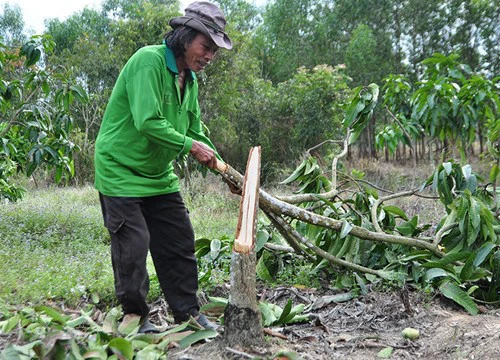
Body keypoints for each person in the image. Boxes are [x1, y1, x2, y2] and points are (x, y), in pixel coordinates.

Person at [94, 1, 233, 333]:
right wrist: (190, 147)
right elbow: (147, 122)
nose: (210, 56)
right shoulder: (149, 62)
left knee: (179, 240)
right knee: (134, 244)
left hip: (158, 176)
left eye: (215, 50)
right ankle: (134, 316)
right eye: (206, 46)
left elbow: (195, 131)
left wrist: (225, 170)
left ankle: (186, 312)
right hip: (120, 170)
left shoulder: (191, 80)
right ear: (185, 37)